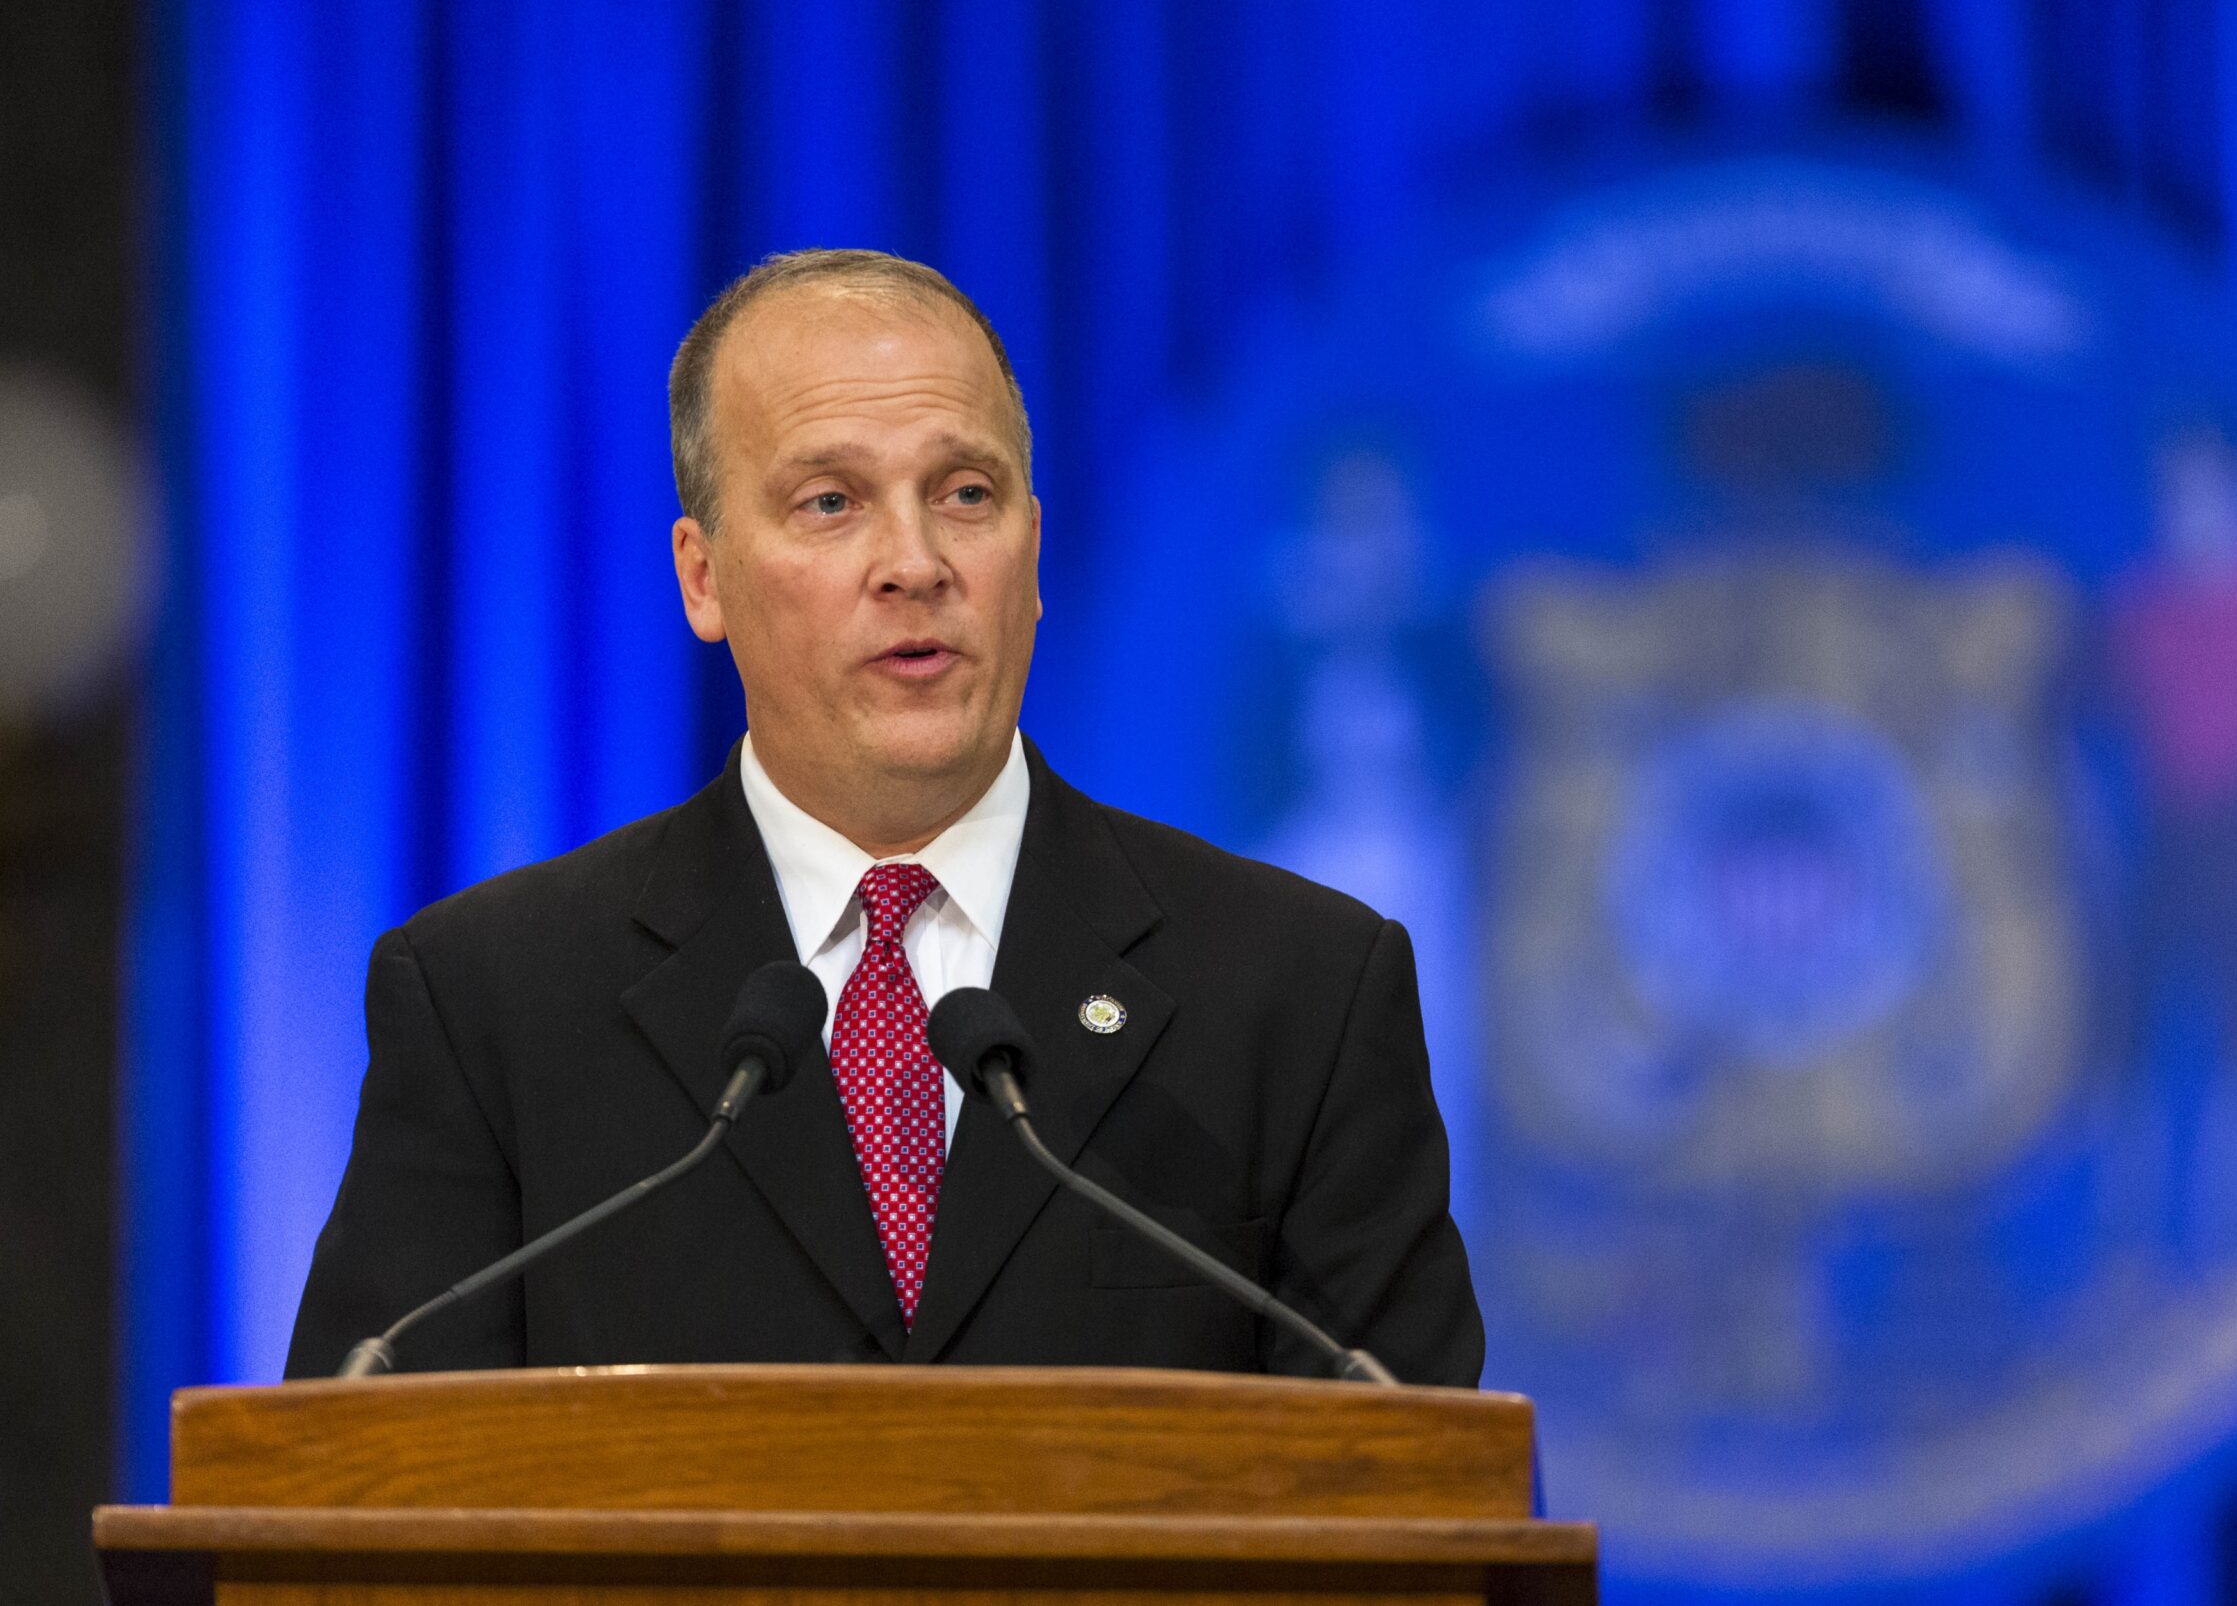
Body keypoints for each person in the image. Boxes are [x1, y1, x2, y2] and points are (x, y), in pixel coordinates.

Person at [282, 251, 1482, 1384]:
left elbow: (1414, 1505)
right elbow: (355, 1495)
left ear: (1033, 548)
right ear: (702, 575)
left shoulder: (1303, 989)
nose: (914, 561)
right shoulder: (495, 999)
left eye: (965, 493)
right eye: (829, 501)